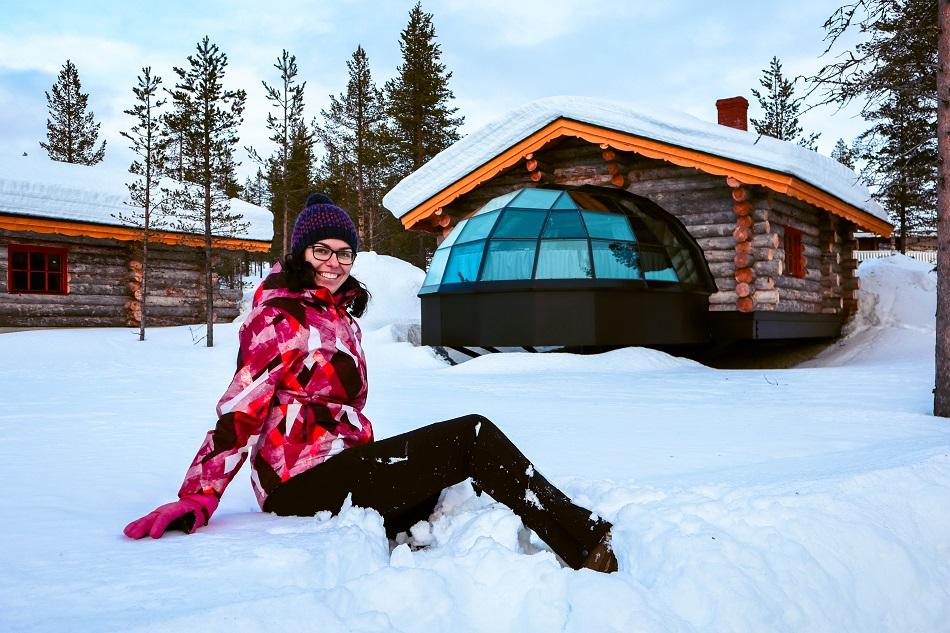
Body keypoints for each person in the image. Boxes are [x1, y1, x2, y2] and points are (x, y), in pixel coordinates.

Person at [124, 193, 617, 573]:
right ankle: (586, 540)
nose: (335, 263)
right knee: (472, 436)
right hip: (298, 481)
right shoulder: (279, 317)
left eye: (345, 253)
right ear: (301, 253)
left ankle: (424, 536)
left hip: (340, 466)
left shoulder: (339, 318)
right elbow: (242, 408)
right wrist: (200, 494)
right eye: (322, 251)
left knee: (451, 483)